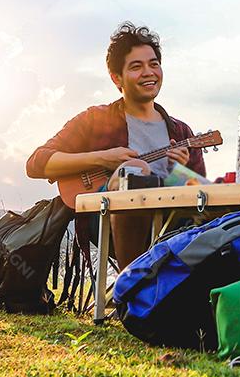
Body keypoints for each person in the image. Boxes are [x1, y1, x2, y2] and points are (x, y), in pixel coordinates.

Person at [26, 22, 207, 268]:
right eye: (136, 66)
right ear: (116, 78)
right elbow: (36, 163)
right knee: (135, 171)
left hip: (171, 223)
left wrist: (179, 171)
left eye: (154, 64)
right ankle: (131, 284)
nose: (148, 72)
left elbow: (202, 196)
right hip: (107, 221)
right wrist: (102, 158)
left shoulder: (181, 131)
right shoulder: (95, 119)